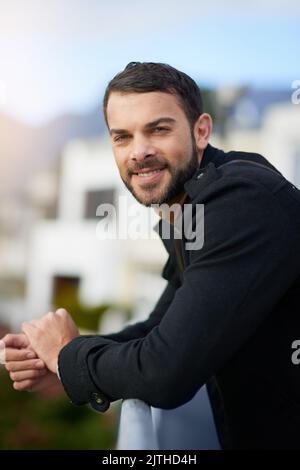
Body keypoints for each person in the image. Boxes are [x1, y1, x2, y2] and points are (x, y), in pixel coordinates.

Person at [2, 62, 300, 449]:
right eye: (122, 137)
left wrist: (70, 355)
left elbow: (165, 373)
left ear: (201, 130)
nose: (139, 152)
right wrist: (61, 364)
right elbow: (157, 331)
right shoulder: (191, 209)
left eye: (158, 129)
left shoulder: (241, 204)